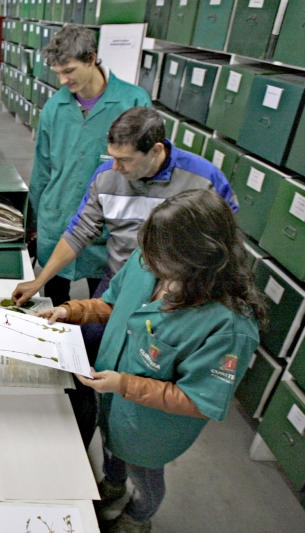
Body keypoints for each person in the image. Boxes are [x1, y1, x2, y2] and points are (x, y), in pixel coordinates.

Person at [38, 190, 265, 533]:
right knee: (111, 446)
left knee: (145, 475)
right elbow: (112, 304)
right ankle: (113, 485)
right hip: (112, 397)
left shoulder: (229, 326)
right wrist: (71, 311)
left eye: (163, 258)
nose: (150, 262)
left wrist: (125, 384)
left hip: (150, 427)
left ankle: (140, 515)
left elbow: (197, 400)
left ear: (200, 258)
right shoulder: (150, 261)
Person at [15, 106, 238, 449]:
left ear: (157, 151)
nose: (115, 168)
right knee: (88, 368)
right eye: (112, 157)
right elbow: (79, 232)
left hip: (177, 298)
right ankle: (84, 441)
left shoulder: (204, 181)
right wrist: (39, 280)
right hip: (123, 283)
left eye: (126, 160)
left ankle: (118, 454)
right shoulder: (107, 176)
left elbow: (224, 241)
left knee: (143, 373)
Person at [29, 24, 152, 306]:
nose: (62, 80)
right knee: (54, 305)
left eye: (69, 71)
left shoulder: (133, 101)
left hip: (109, 226)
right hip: (57, 220)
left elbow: (147, 173)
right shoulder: (54, 108)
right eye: (57, 72)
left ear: (91, 58)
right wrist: (32, 223)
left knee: (104, 304)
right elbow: (42, 171)